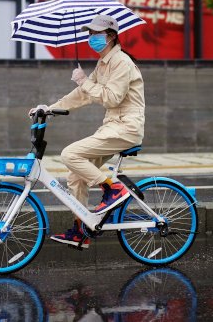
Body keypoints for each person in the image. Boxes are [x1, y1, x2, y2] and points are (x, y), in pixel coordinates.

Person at [28, 14, 145, 249]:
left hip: (126, 128)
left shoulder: (121, 61)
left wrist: (84, 81)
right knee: (76, 175)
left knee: (70, 154)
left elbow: (112, 98)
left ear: (111, 36)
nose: (91, 38)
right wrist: (49, 108)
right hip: (113, 127)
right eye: (89, 34)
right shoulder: (104, 64)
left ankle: (113, 188)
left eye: (96, 34)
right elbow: (82, 95)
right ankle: (81, 230)